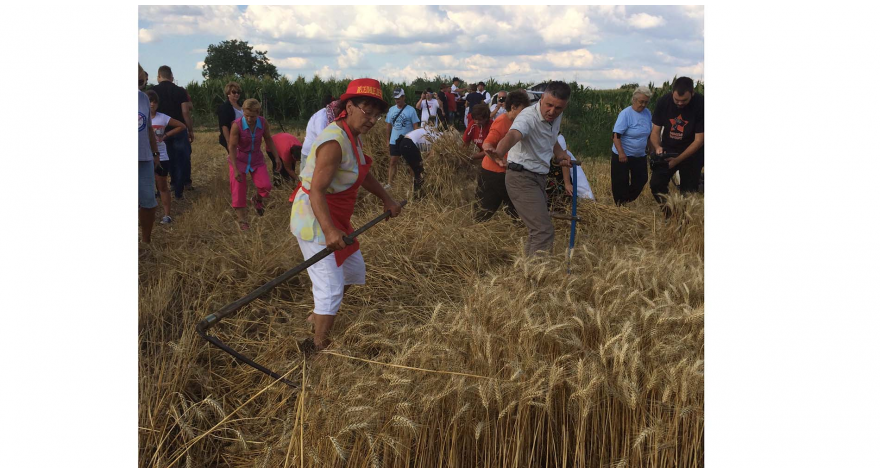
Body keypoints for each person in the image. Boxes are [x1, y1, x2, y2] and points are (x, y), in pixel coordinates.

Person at [289, 78, 403, 352]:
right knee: (330, 286)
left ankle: (317, 316)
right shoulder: (333, 141)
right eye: (368, 112)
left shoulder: (352, 137)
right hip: (316, 218)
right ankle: (319, 346)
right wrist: (329, 231)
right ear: (349, 107)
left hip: (337, 216)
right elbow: (317, 191)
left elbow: (362, 173)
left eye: (377, 115)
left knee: (353, 271)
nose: (372, 120)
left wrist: (386, 199)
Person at [483, 81, 573, 257]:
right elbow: (513, 135)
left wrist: (560, 153)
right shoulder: (527, 117)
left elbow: (551, 136)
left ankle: (528, 267)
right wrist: (499, 152)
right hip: (521, 178)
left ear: (565, 106)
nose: (552, 111)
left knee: (537, 230)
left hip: (539, 177)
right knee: (543, 230)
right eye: (549, 105)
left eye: (558, 108)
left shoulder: (555, 115)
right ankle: (537, 271)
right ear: (542, 98)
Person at [649, 77, 704, 208]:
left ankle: (685, 217)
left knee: (688, 192)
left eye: (684, 100)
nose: (679, 103)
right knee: (656, 184)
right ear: (672, 92)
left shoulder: (702, 104)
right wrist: (657, 147)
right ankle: (671, 213)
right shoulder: (663, 101)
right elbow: (655, 131)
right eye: (676, 100)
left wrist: (677, 160)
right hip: (668, 149)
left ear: (692, 93)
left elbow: (699, 140)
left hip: (692, 153)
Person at [475, 89, 530, 221]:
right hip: (494, 172)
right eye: (523, 110)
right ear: (513, 107)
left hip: (505, 171)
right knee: (487, 207)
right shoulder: (502, 121)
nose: (525, 114)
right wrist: (496, 157)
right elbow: (487, 144)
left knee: (509, 204)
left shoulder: (517, 122)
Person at [227, 99, 282, 230]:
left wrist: (276, 157)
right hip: (239, 159)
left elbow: (268, 138)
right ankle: (242, 220)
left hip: (256, 158)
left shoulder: (263, 123)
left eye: (252, 116)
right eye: (246, 115)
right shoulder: (237, 125)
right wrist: (235, 168)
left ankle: (257, 199)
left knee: (266, 186)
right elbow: (232, 146)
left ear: (258, 113)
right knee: (238, 190)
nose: (249, 119)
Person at [153, 66, 194, 199]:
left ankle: (164, 187)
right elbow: (185, 111)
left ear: (159, 76)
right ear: (171, 77)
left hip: (159, 130)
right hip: (178, 130)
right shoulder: (180, 91)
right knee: (180, 160)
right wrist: (189, 129)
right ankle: (178, 190)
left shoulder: (152, 91)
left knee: (163, 159)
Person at [146, 90, 186, 224]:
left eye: (154, 102)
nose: (152, 104)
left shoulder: (163, 118)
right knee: (144, 186)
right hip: (144, 156)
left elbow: (181, 126)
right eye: (149, 101)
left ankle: (167, 215)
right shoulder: (140, 118)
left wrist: (166, 135)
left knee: (162, 186)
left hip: (161, 156)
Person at [609, 86, 653, 205]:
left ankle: (627, 200)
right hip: (623, 154)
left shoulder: (647, 113)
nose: (643, 105)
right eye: (641, 102)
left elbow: (649, 134)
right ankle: (620, 204)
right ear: (634, 100)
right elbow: (616, 135)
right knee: (620, 182)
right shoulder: (626, 114)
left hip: (640, 154)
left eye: (646, 102)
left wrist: (651, 149)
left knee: (642, 179)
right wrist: (621, 153)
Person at [138, 64, 161, 246]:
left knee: (149, 202)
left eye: (140, 81)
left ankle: (146, 241)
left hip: (143, 157)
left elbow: (149, 129)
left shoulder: (143, 98)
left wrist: (155, 153)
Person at [385, 88, 421, 189]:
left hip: (407, 141)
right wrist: (387, 139)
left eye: (399, 98)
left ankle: (414, 183)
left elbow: (415, 126)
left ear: (403, 97)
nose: (397, 100)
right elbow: (388, 125)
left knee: (410, 164)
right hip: (394, 141)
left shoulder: (411, 110)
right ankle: (390, 184)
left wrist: (415, 140)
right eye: (395, 98)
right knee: (393, 162)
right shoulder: (391, 110)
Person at [397, 122, 440, 199]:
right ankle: (418, 196)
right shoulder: (439, 137)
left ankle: (415, 192)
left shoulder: (431, 133)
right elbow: (432, 155)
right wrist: (425, 164)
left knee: (415, 170)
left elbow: (429, 153)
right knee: (419, 172)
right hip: (409, 144)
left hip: (403, 143)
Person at [302, 95, 337, 160]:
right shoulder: (322, 118)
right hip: (310, 153)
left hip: (316, 151)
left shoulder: (328, 115)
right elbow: (322, 138)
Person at [217, 81, 243, 155]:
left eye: (238, 92)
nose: (236, 94)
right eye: (234, 92)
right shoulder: (224, 107)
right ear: (228, 93)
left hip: (242, 136)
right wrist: (229, 142)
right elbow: (224, 126)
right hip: (232, 136)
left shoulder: (242, 105)